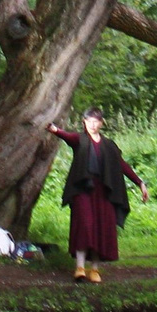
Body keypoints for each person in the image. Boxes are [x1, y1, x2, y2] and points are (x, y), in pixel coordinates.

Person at [44, 109, 146, 283]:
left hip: (103, 192)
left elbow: (122, 165)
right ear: (84, 122)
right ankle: (80, 268)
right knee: (84, 225)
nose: (92, 124)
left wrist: (140, 183)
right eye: (89, 121)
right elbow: (67, 136)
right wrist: (55, 130)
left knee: (101, 228)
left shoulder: (108, 145)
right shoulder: (80, 140)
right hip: (83, 190)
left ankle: (95, 270)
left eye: (96, 121)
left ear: (101, 123)